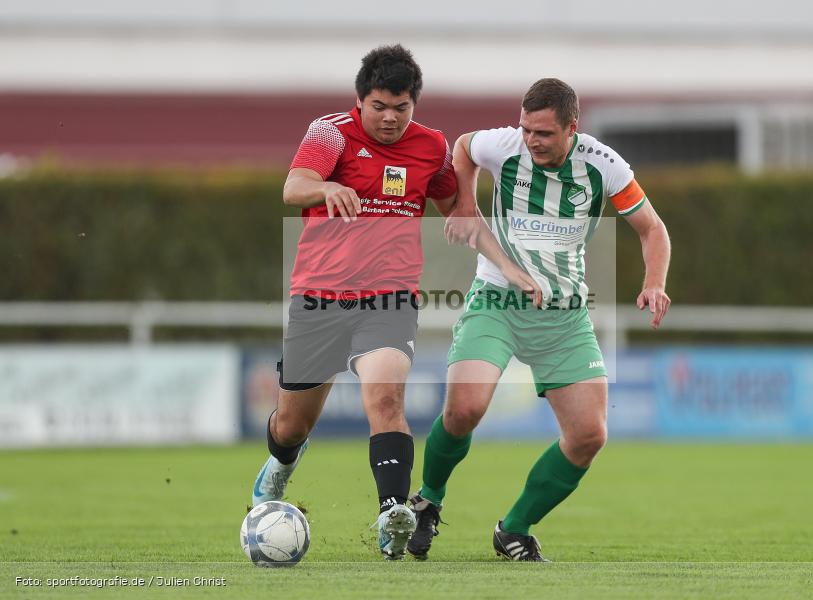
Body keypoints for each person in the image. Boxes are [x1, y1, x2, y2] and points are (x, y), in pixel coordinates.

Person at [250, 44, 539, 561]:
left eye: (400, 108)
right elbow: (293, 187)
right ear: (361, 100)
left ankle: (391, 515)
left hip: (389, 298)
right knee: (292, 425)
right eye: (379, 106)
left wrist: (497, 252)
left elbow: (459, 206)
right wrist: (328, 188)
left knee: (386, 402)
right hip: (319, 298)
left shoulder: (430, 147)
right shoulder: (331, 132)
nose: (389, 118)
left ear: (414, 105)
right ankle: (280, 465)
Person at [407, 78, 672, 561]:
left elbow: (652, 228)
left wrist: (654, 282)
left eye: (543, 133)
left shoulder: (604, 165)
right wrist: (465, 203)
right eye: (527, 129)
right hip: (497, 300)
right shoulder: (507, 145)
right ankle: (428, 499)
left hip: (564, 316)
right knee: (465, 409)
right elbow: (462, 147)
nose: (531, 140)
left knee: (589, 435)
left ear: (572, 127)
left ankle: (514, 529)